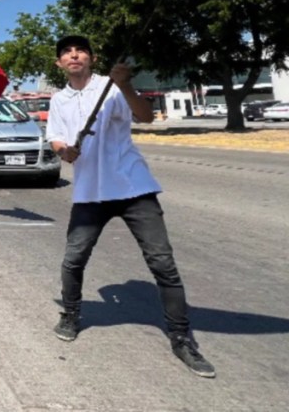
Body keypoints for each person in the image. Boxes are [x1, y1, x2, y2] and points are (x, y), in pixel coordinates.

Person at [46, 35, 214, 378]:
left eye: (80, 50)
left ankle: (181, 337)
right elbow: (56, 138)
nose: (74, 55)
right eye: (66, 52)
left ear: (91, 58)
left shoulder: (111, 87)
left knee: (162, 263)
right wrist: (65, 152)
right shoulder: (58, 99)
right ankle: (71, 313)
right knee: (74, 257)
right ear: (59, 63)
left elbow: (146, 117)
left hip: (133, 187)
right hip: (90, 193)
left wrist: (126, 86)